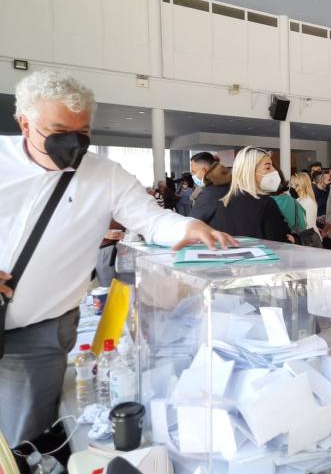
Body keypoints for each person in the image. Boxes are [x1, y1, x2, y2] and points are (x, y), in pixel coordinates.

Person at [0, 70, 235, 448]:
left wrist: (190, 227)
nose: (73, 144)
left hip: (38, 333)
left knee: (24, 436)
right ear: (25, 124)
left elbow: (152, 220)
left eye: (83, 132)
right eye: (59, 131)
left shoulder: (105, 175)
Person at [211, 147, 290, 242]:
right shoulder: (266, 204)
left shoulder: (220, 203)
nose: (275, 171)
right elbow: (279, 243)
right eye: (268, 167)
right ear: (250, 171)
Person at [188, 152, 232, 227]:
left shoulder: (210, 194)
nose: (192, 175)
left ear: (203, 171)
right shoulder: (232, 185)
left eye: (193, 172)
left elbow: (192, 223)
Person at [270, 167, 307, 233]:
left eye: (295, 185)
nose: (292, 188)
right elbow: (303, 226)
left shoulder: (263, 202)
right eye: (291, 185)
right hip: (293, 238)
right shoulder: (294, 202)